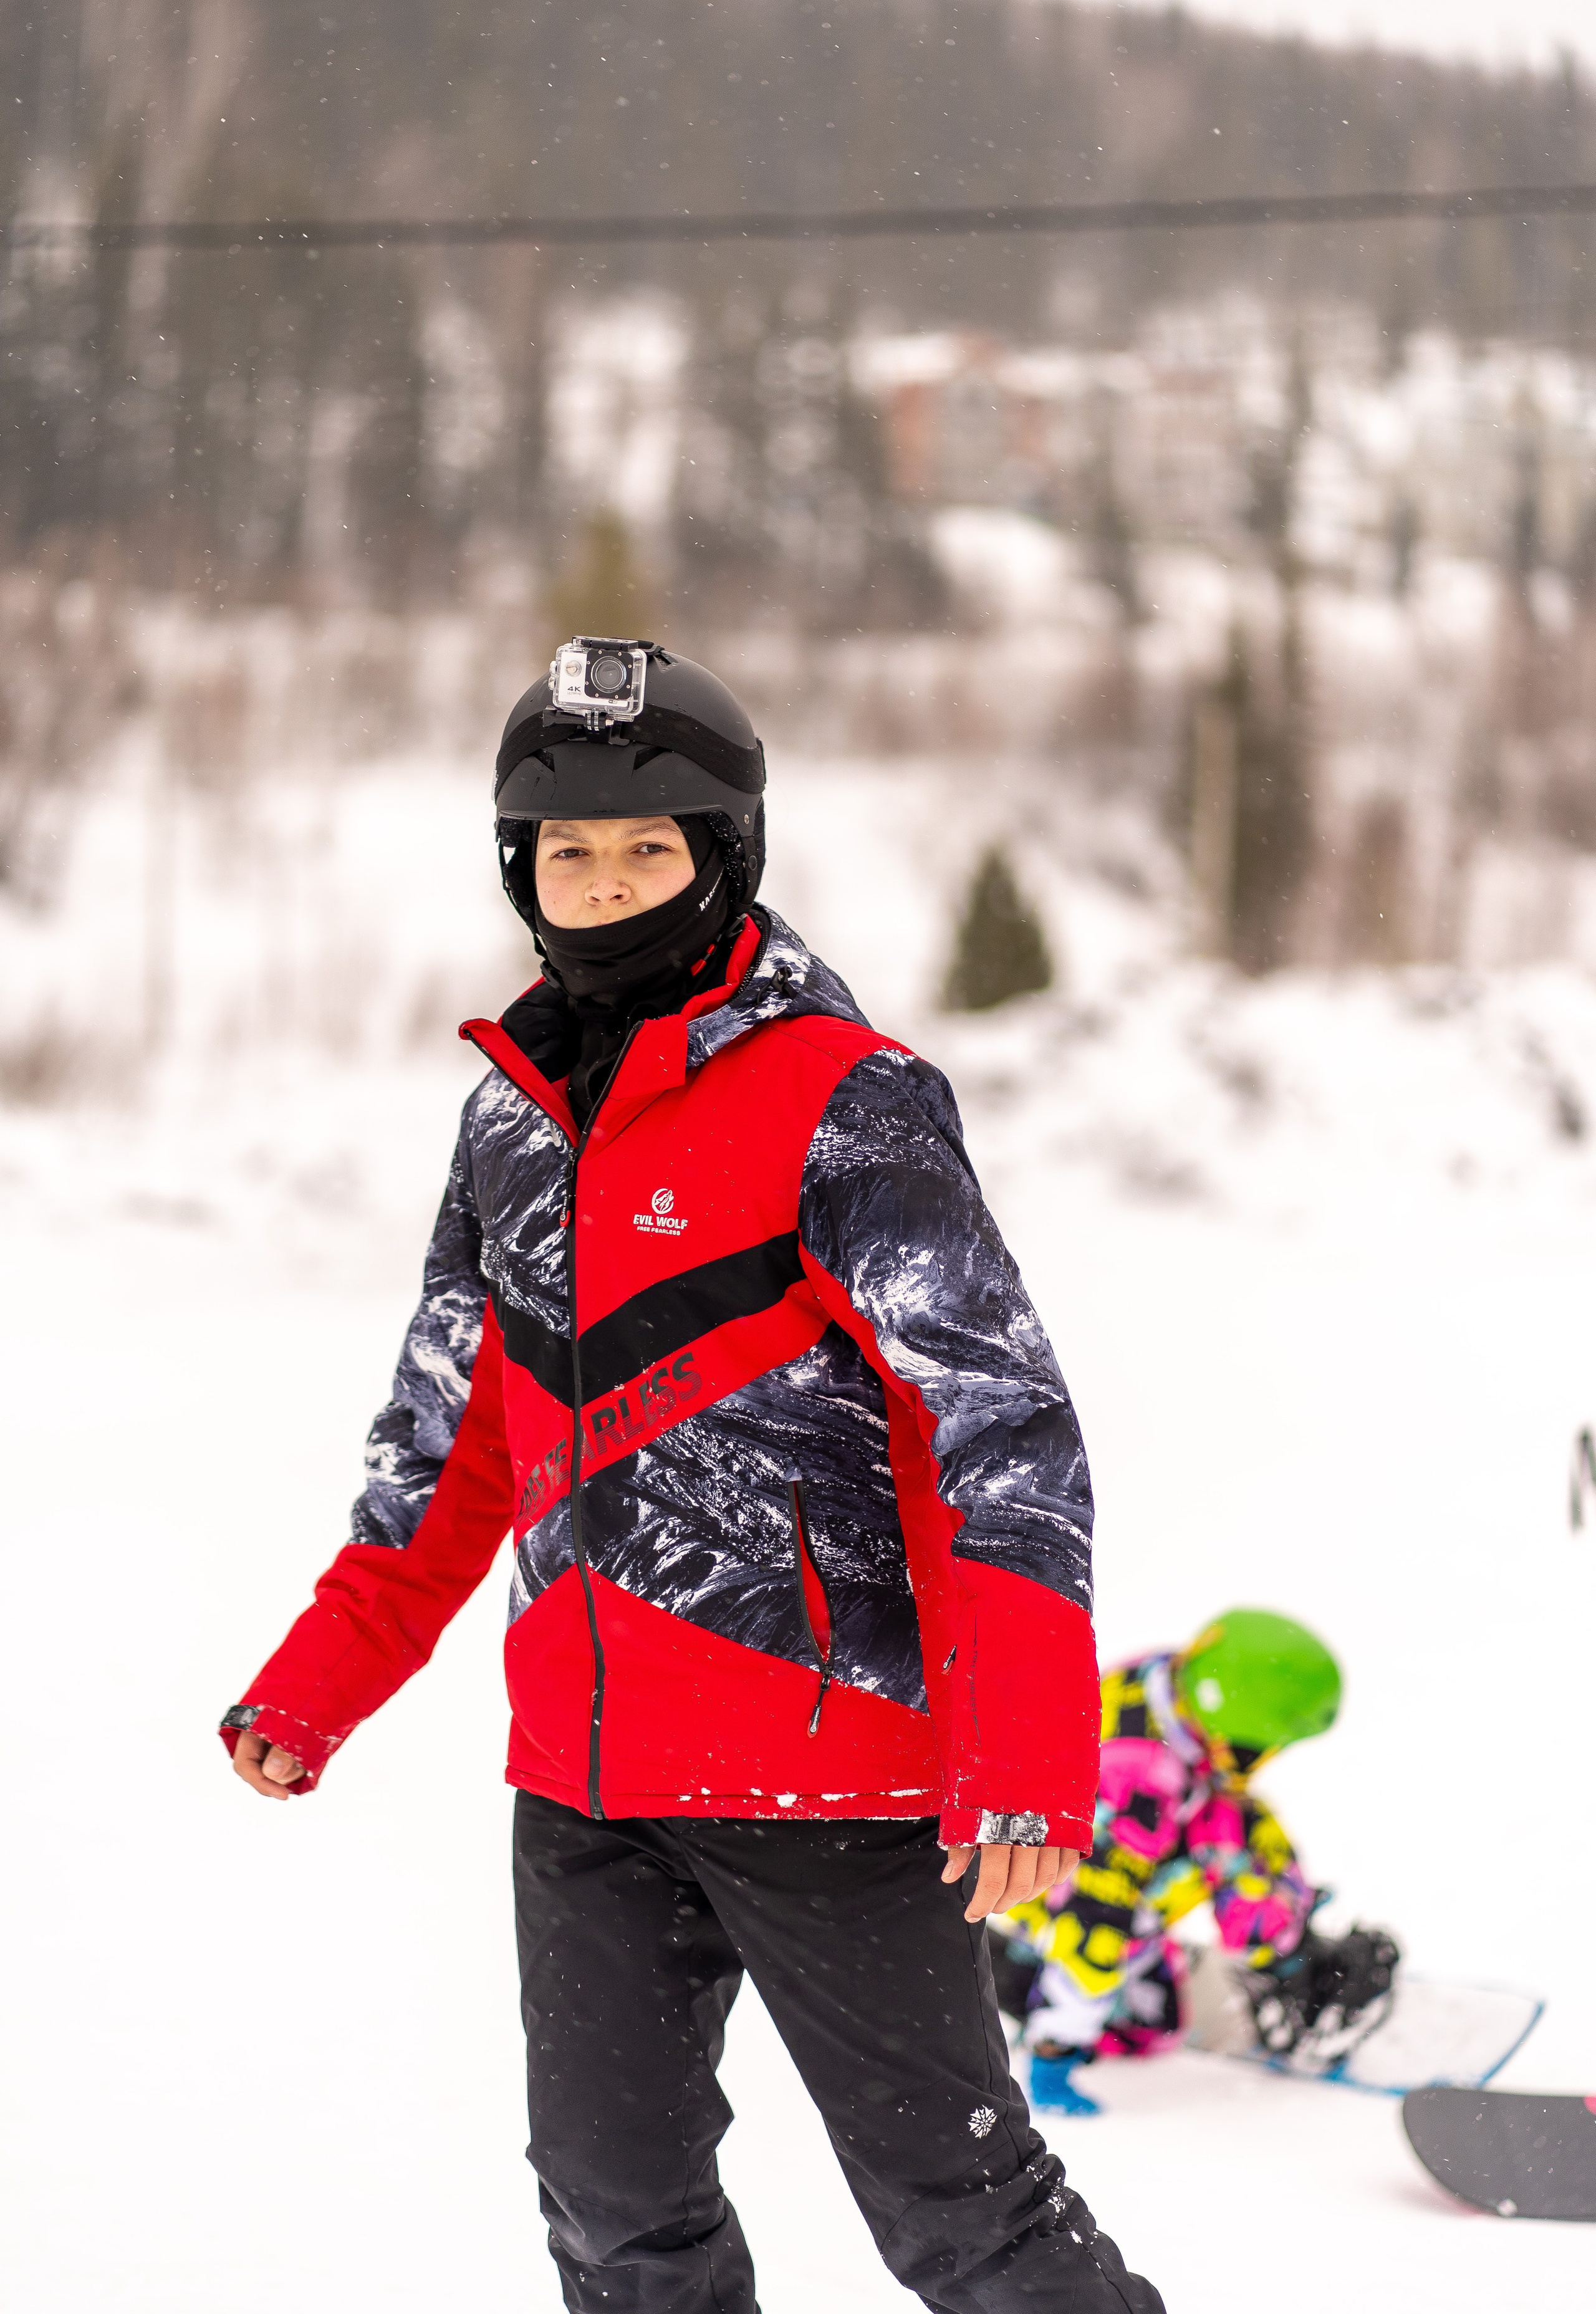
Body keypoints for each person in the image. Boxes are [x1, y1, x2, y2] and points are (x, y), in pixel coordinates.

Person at [221, 638, 1163, 2314]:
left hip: (829, 1767)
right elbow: (454, 1434)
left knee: (965, 2217)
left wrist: (1022, 1747)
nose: (602, 883)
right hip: (585, 1781)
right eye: (565, 850)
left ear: (723, 856)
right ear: (519, 866)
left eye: (645, 848)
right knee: (613, 2214)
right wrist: (321, 1676)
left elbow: (995, 1426)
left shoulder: (846, 1101)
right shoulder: (508, 1124)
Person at [992, 1608, 1398, 2114]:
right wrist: (1056, 2049)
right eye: (1261, 1749)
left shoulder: (1168, 1684)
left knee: (1241, 1820)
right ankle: (1021, 1972)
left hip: (1095, 1845)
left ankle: (1286, 1949)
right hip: (1050, 1894)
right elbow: (1093, 1923)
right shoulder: (1139, 1793)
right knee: (1148, 2028)